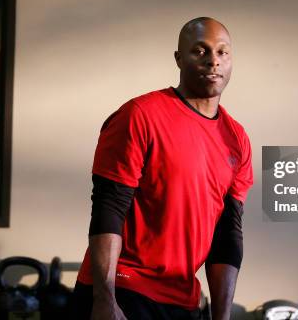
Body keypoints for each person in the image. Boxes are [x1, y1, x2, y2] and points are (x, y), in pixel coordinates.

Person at [73, 17, 253, 320]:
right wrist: (105, 299)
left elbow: (227, 235)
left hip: (182, 301)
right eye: (200, 50)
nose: (213, 61)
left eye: (222, 52)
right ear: (179, 58)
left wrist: (221, 317)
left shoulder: (237, 140)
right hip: (125, 291)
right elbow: (109, 207)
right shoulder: (140, 115)